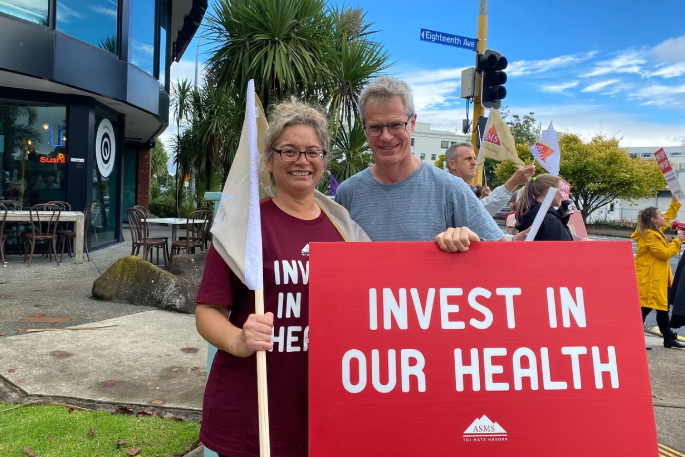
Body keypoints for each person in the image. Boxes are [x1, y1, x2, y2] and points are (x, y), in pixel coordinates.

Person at [194, 99, 369, 457]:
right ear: (269, 161)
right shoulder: (245, 228)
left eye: (312, 152)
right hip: (251, 411)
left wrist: (450, 247)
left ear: (323, 160)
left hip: (321, 411)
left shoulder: (346, 231)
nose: (302, 160)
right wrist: (239, 340)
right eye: (289, 151)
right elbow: (207, 312)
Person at [335, 76, 527, 249]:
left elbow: (501, 251)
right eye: (375, 127)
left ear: (412, 124)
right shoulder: (348, 194)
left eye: (396, 125)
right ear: (364, 129)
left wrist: (472, 243)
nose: (386, 136)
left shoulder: (450, 189)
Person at [631, 200, 685, 349]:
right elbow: (664, 254)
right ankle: (635, 339)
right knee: (644, 310)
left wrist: (675, 203)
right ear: (653, 219)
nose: (664, 217)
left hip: (658, 278)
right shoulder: (650, 235)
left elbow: (667, 218)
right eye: (661, 215)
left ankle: (668, 338)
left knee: (663, 309)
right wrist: (677, 241)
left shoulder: (655, 230)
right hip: (650, 279)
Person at [444, 142, 536, 216]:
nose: (474, 162)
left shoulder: (468, 189)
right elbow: (474, 215)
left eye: (474, 158)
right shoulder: (447, 190)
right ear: (452, 164)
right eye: (468, 159)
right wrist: (513, 182)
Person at [515, 174, 573, 241]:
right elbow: (564, 245)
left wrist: (562, 216)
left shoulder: (532, 212)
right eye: (560, 190)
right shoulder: (549, 219)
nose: (562, 196)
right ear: (550, 191)